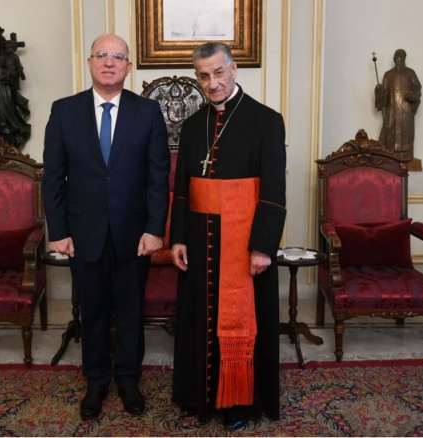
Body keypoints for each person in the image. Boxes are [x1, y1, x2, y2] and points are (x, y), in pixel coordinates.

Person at [42, 34, 170, 420]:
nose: (109, 62)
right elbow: (54, 178)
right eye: (102, 55)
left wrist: (155, 229)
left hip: (135, 233)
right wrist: (58, 231)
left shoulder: (148, 112)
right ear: (90, 62)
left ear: (128, 66)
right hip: (83, 232)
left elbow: (158, 176)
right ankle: (96, 382)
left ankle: (129, 381)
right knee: (93, 311)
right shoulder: (64, 111)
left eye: (117, 56)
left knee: (131, 311)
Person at [170, 42, 286, 430]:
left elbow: (274, 191)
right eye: (204, 76)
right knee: (198, 317)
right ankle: (197, 395)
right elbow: (182, 188)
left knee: (243, 320)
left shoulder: (266, 121)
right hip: (199, 238)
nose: (212, 83)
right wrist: (178, 237)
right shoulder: (192, 125)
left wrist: (263, 247)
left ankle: (240, 400)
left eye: (219, 72)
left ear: (234, 69)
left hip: (244, 240)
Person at [374, 48, 422, 161]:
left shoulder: (411, 73)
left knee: (406, 134)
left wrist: (413, 96)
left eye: (402, 57)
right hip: (392, 112)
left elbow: (417, 88)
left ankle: (406, 157)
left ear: (405, 59)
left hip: (406, 112)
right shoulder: (388, 75)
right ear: (394, 59)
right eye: (398, 57)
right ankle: (390, 156)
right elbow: (384, 95)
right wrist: (379, 92)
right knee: (391, 134)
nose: (400, 60)